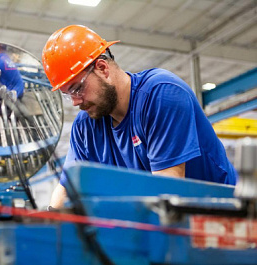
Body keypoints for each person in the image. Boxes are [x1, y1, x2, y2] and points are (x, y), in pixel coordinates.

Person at [42, 25, 238, 209]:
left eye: (77, 88)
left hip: (221, 217)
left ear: (102, 68)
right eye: (68, 95)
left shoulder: (161, 94)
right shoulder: (86, 126)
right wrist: (50, 225)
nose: (76, 102)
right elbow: (67, 189)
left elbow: (167, 191)